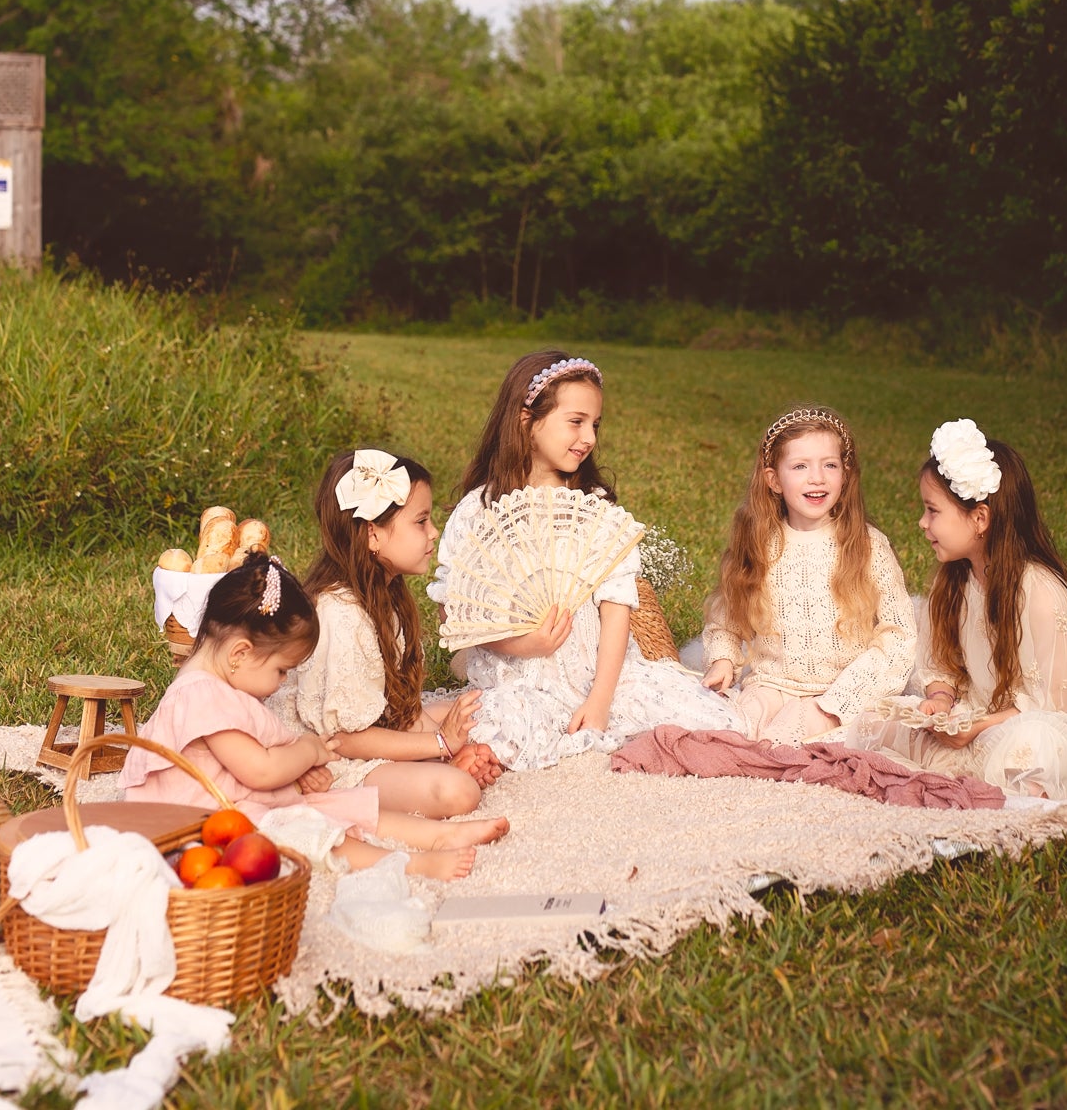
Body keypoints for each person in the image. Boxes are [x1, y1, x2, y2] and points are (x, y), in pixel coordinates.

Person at [428, 349, 742, 768]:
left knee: (712, 720)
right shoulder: (479, 511)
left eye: (595, 424)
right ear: (526, 421)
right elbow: (456, 614)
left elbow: (616, 607)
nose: (589, 437)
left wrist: (600, 700)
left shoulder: (592, 506)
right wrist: (524, 644)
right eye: (575, 422)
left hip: (600, 674)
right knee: (502, 728)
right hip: (518, 678)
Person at [122, 551, 508, 878]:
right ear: (240, 653)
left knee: (339, 804)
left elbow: (246, 763)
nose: (281, 682)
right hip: (201, 824)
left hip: (235, 803)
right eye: (281, 671)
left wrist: (299, 772)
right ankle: (410, 864)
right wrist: (308, 751)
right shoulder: (201, 695)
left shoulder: (219, 684)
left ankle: (438, 836)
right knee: (307, 828)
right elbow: (261, 771)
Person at [883, 418, 1067, 798]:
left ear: (980, 519)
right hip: (978, 710)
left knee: (1031, 746)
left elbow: (1053, 707)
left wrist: (980, 727)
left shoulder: (1042, 594)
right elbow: (943, 664)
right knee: (884, 722)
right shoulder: (952, 581)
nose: (922, 523)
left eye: (933, 511)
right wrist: (941, 699)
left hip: (1037, 719)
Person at [273, 447, 500, 818]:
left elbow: (401, 707)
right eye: (421, 521)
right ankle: (333, 801)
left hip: (366, 728)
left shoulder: (386, 596)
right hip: (325, 755)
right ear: (372, 534)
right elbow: (345, 739)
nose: (434, 532)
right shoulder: (339, 613)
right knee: (457, 792)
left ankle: (433, 762)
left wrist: (451, 749)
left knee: (472, 714)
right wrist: (441, 744)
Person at [701, 404, 915, 742]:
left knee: (784, 741)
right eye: (800, 466)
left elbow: (898, 636)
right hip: (771, 683)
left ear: (845, 474)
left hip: (833, 693)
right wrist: (723, 660)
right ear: (774, 480)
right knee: (730, 730)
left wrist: (840, 700)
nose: (817, 477)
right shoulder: (759, 542)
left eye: (829, 465)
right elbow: (727, 618)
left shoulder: (867, 545)